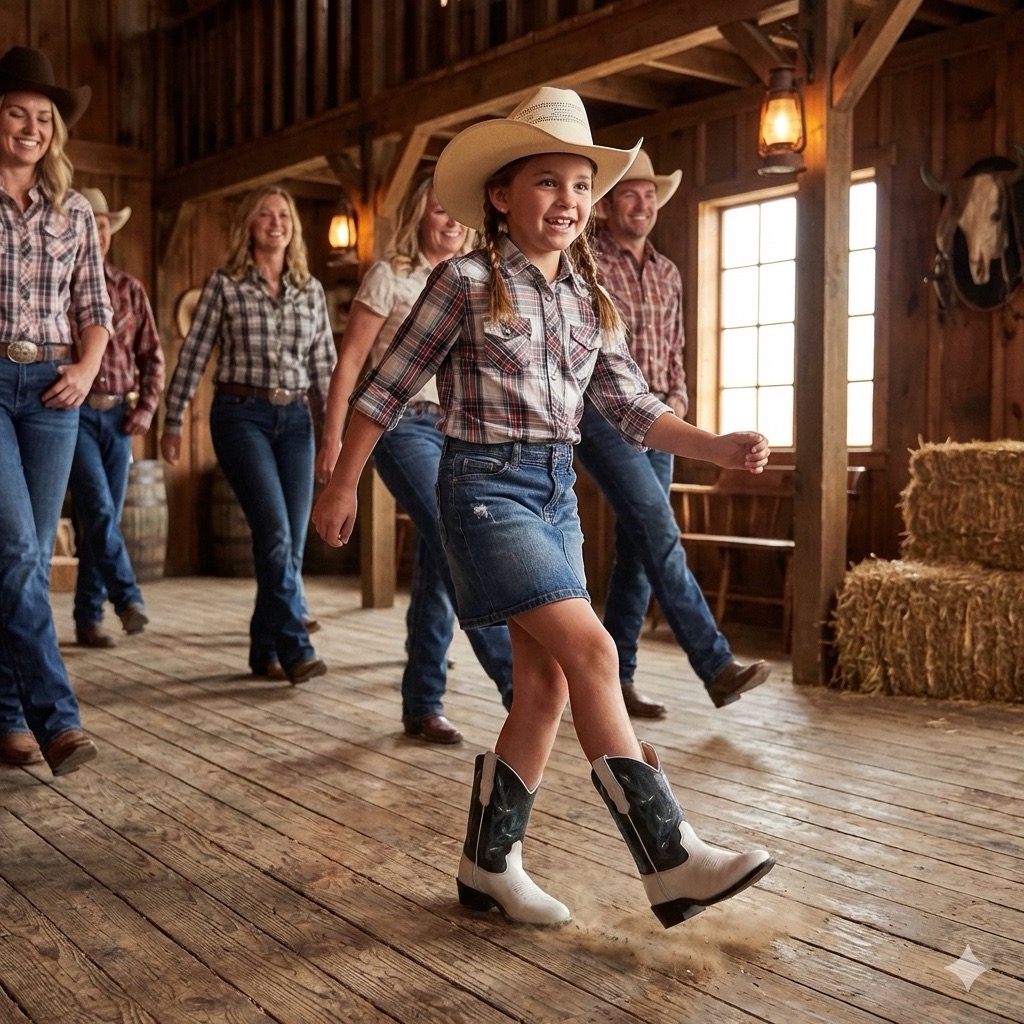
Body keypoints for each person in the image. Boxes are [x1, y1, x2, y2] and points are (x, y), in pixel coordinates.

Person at [313, 86, 775, 929]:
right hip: (483, 491)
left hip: (557, 494)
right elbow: (386, 389)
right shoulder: (464, 280)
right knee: (595, 652)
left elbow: (634, 409)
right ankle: (670, 860)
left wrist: (715, 444)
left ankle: (487, 868)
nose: (567, 201)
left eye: (578, 186)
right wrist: (342, 481)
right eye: (546, 183)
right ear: (500, 195)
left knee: (544, 691)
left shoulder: (589, 301)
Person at [315, 171, 514, 744]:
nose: (449, 221)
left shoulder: (479, 277)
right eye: (438, 210)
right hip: (400, 425)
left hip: (461, 432)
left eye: (458, 212)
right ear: (418, 216)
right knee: (462, 539)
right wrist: (332, 439)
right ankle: (516, 685)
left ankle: (422, 702)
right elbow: (350, 361)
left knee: (439, 555)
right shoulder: (390, 275)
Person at [575, 150, 770, 719]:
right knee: (659, 531)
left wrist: (681, 402)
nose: (641, 204)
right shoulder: (590, 265)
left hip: (665, 423)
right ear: (607, 205)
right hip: (607, 418)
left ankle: (618, 682)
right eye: (630, 194)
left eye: (649, 195)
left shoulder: (667, 271)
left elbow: (676, 350)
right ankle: (716, 665)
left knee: (639, 551)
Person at [161, 184, 335, 685]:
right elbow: (193, 355)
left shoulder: (311, 290)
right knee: (276, 532)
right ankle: (295, 648)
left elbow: (324, 366)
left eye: (284, 215)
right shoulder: (225, 283)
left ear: (293, 229)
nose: (276, 222)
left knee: (287, 541)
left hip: (296, 421)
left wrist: (332, 436)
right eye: (265, 215)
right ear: (250, 226)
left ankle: (264, 648)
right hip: (240, 416)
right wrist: (173, 422)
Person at [0, 47, 112, 775]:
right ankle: (57, 720)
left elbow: (95, 306)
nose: (31, 127)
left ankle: (7, 719)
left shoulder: (73, 211)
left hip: (52, 392)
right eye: (16, 112)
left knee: (30, 559)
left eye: (43, 117)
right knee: (13, 550)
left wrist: (86, 366)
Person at [68, 186, 165, 648]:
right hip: (73, 415)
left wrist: (146, 408)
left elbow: (153, 356)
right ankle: (126, 597)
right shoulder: (59, 285)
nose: (98, 231)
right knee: (100, 509)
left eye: (103, 224)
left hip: (119, 419)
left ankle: (88, 619)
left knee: (98, 517)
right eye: (90, 222)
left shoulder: (130, 289)